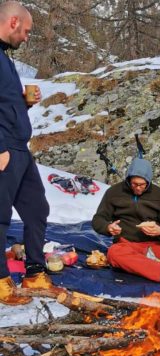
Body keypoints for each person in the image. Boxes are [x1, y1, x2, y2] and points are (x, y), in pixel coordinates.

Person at [0, 1, 63, 305]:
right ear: (12, 22)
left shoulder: (5, 59)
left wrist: (24, 102)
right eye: (25, 31)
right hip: (4, 149)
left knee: (37, 209)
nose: (27, 37)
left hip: (20, 149)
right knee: (0, 216)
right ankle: (1, 283)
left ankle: (35, 272)